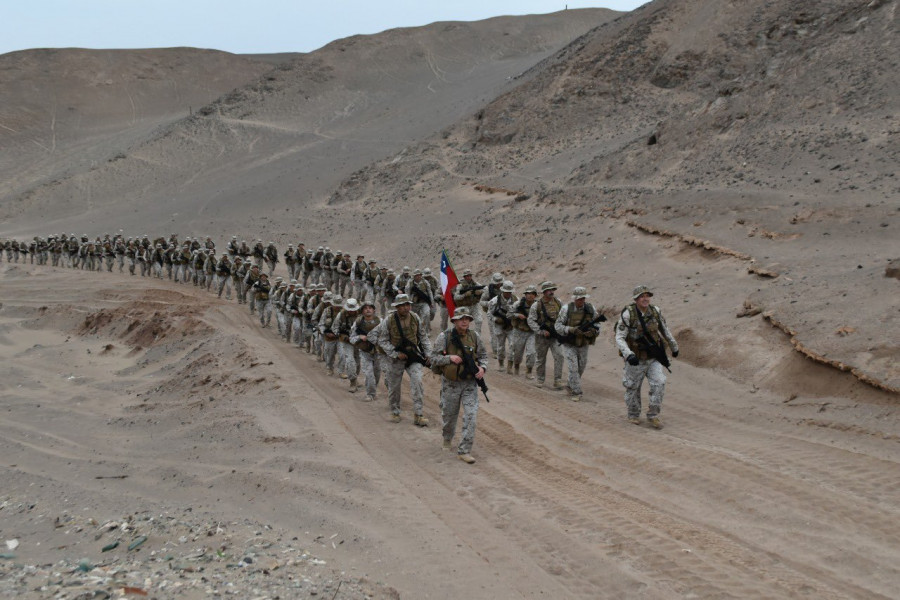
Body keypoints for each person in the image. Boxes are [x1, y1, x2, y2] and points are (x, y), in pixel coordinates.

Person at [429, 306, 488, 464]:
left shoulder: (474, 336)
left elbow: (483, 355)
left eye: (467, 318)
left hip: (469, 384)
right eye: (461, 318)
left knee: (471, 416)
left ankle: (464, 450)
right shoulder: (445, 337)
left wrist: (482, 368)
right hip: (451, 384)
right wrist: (449, 358)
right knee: (449, 416)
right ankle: (447, 439)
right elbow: (433, 358)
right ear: (454, 321)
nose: (464, 321)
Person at [614, 285, 679, 429]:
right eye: (642, 296)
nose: (645, 299)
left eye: (647, 296)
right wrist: (628, 354)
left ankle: (653, 415)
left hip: (653, 357)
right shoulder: (628, 314)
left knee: (660, 382)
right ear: (636, 299)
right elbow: (619, 337)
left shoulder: (655, 311)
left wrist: (674, 347)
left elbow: (664, 330)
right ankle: (633, 414)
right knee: (633, 387)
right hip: (635, 358)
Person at [375, 294, 431, 426]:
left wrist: (428, 353)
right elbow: (382, 340)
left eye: (407, 305)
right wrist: (395, 353)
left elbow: (423, 337)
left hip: (413, 356)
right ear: (397, 307)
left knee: (417, 382)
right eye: (402, 306)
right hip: (396, 359)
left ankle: (418, 414)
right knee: (394, 387)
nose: (406, 308)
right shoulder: (389, 320)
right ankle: (395, 411)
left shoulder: (415, 317)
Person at [555, 286, 604, 402]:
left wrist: (593, 331)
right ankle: (576, 392)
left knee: (581, 367)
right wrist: (571, 329)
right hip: (569, 343)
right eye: (579, 299)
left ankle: (570, 384)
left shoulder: (590, 308)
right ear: (575, 299)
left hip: (583, 344)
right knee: (573, 368)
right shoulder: (566, 309)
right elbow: (558, 326)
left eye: (583, 298)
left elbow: (598, 324)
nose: (581, 301)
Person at [527, 281, 565, 389]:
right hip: (542, 337)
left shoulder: (558, 302)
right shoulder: (537, 305)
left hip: (555, 336)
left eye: (553, 289)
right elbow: (531, 321)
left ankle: (557, 380)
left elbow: (564, 317)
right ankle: (540, 379)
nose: (551, 292)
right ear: (544, 292)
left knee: (559, 356)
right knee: (541, 358)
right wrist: (541, 331)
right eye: (549, 290)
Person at [349, 299, 383, 401]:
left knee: (377, 373)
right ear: (362, 311)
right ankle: (370, 394)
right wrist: (360, 337)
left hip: (378, 351)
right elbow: (351, 338)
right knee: (369, 373)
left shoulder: (381, 322)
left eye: (370, 308)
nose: (368, 310)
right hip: (364, 352)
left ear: (373, 310)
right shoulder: (358, 323)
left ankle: (373, 389)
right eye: (365, 308)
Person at [509, 284, 538, 379]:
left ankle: (529, 371)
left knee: (531, 352)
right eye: (528, 293)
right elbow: (508, 314)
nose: (530, 295)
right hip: (519, 331)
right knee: (518, 352)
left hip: (532, 332)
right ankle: (516, 366)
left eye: (532, 294)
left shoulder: (538, 305)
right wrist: (517, 315)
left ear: (535, 295)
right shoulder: (518, 304)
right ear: (525, 295)